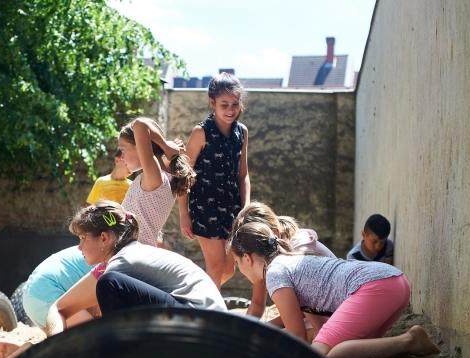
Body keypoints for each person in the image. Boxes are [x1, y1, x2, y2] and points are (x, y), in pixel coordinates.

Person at [0, 201, 226, 358]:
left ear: (104, 238)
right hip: (202, 327)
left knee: (109, 284)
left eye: (82, 238)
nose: (79, 247)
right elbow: (58, 307)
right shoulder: (122, 259)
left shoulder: (121, 263)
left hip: (203, 326)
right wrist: (54, 347)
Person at [229, 221, 440, 358]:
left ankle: (409, 341)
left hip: (375, 286)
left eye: (237, 263)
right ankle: (408, 343)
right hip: (395, 282)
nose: (240, 269)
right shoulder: (287, 260)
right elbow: (306, 324)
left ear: (247, 258)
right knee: (349, 349)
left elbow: (297, 336)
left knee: (324, 356)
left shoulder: (275, 272)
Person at [179, 72, 250, 289]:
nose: (230, 110)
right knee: (217, 267)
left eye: (235, 104)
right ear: (212, 103)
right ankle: (209, 308)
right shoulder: (201, 132)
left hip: (232, 207)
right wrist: (183, 214)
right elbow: (183, 174)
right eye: (224, 105)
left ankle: (194, 293)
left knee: (228, 270)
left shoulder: (242, 132)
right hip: (204, 206)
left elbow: (243, 175)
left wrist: (246, 208)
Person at [230, 202, 335, 338]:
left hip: (328, 315)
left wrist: (263, 329)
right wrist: (246, 332)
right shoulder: (262, 260)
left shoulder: (299, 252)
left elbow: (306, 314)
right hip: (313, 317)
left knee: (275, 340)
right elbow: (257, 303)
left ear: (273, 233)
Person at [0, 246, 96, 358]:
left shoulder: (96, 249)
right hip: (48, 293)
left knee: (70, 348)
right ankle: (29, 352)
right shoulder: (106, 258)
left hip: (32, 294)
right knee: (97, 344)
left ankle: (16, 352)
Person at [118, 117, 195, 248]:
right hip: (134, 250)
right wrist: (170, 150)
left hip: (133, 251)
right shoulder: (162, 176)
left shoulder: (155, 177)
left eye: (123, 149)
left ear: (140, 145)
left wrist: (166, 147)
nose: (121, 156)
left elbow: (140, 124)